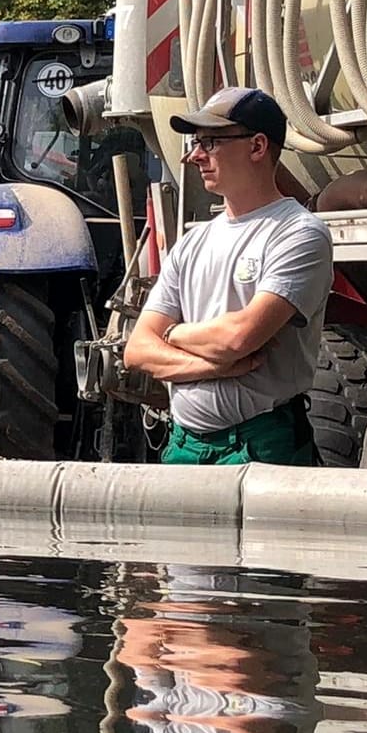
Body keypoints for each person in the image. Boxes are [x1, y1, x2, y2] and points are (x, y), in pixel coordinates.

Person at [124, 87, 333, 465]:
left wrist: (174, 334)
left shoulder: (298, 233)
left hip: (260, 445)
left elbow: (240, 339)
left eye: (211, 142)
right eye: (196, 142)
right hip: (183, 445)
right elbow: (137, 350)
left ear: (257, 147)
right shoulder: (193, 242)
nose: (193, 155)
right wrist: (210, 366)